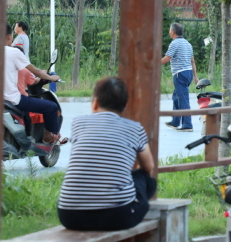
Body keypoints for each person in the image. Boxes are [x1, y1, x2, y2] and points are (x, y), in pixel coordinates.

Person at [58, 77, 157, 231]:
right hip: (117, 216)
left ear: (95, 102)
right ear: (124, 107)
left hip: (69, 215)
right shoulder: (135, 128)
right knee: (146, 179)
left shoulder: (78, 123)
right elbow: (149, 167)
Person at [4, 23, 64, 144]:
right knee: (51, 107)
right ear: (9, 37)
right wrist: (51, 78)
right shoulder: (13, 53)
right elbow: (36, 72)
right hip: (13, 100)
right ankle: (48, 137)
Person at [161, 22, 198, 132]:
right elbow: (192, 61)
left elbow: (167, 58)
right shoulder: (188, 44)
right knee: (176, 97)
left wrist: (152, 63)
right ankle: (175, 121)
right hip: (188, 73)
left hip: (180, 74)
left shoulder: (174, 43)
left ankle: (187, 125)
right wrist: (195, 77)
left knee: (183, 99)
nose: (169, 32)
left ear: (173, 32)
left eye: (169, 31)